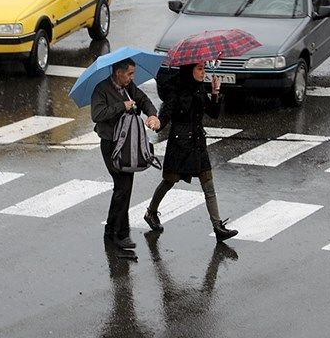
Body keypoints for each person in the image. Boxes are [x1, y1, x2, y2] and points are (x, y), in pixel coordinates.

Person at [143, 62, 238, 242]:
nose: (204, 73)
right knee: (169, 181)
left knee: (208, 184)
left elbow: (213, 113)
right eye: (200, 69)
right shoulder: (175, 89)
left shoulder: (200, 88)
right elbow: (165, 115)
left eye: (204, 69)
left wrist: (215, 92)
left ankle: (217, 226)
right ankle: (151, 212)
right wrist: (156, 122)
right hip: (180, 144)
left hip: (197, 143)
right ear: (190, 70)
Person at [91, 58, 160, 253]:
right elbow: (97, 115)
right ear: (117, 72)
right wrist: (122, 105)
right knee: (123, 186)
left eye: (133, 74)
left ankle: (113, 230)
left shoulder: (129, 87)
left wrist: (152, 115)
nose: (132, 77)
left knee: (124, 188)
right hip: (111, 144)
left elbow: (144, 100)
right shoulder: (102, 89)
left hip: (128, 143)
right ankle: (118, 234)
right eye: (129, 73)